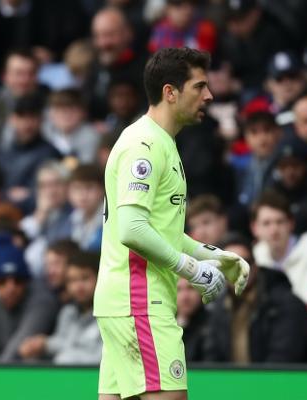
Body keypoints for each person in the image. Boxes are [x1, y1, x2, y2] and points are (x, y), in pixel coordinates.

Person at [94, 47, 249, 400]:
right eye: (199, 86)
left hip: (126, 302)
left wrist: (214, 256)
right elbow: (132, 229)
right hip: (139, 301)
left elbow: (162, 232)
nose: (209, 96)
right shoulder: (145, 145)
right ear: (170, 92)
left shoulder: (159, 142)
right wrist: (192, 270)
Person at [208, 233, 307, 363]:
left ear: (255, 266)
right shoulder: (217, 306)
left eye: (245, 262)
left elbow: (283, 359)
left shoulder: (286, 304)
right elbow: (211, 358)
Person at [0, 233, 56, 362]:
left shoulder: (42, 301)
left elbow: (16, 351)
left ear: (27, 281)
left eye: (18, 280)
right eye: (2, 281)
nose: (11, 288)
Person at [19, 251, 102, 364]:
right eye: (72, 280)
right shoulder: (67, 312)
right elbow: (63, 341)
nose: (79, 286)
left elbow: (101, 358)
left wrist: (52, 348)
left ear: (100, 278)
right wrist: (43, 344)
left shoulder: (109, 315)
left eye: (85, 278)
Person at [251, 190, 307, 305]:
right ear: (255, 228)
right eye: (266, 223)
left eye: (279, 222)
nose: (274, 230)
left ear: (291, 224)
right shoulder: (254, 256)